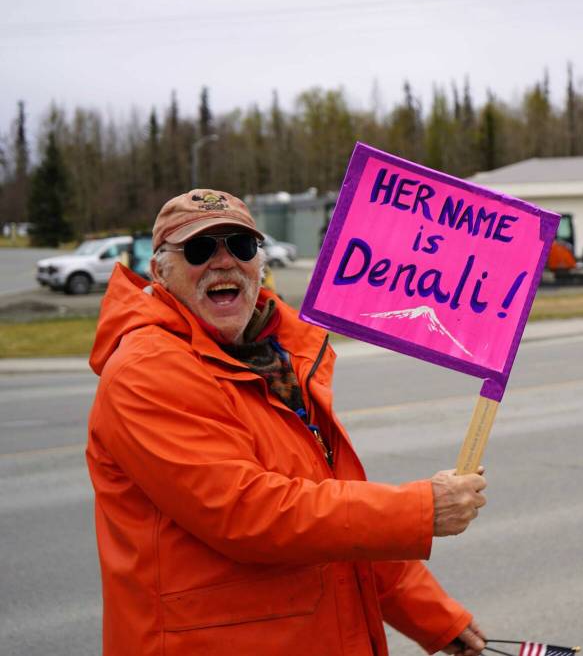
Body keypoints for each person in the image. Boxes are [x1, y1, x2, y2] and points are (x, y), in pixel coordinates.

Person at [86, 189, 488, 656]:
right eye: (199, 249)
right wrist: (420, 509)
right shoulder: (146, 370)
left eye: (240, 246)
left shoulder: (279, 358)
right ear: (159, 272)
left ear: (259, 262)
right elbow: (249, 513)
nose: (222, 262)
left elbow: (335, 514)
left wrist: (435, 618)